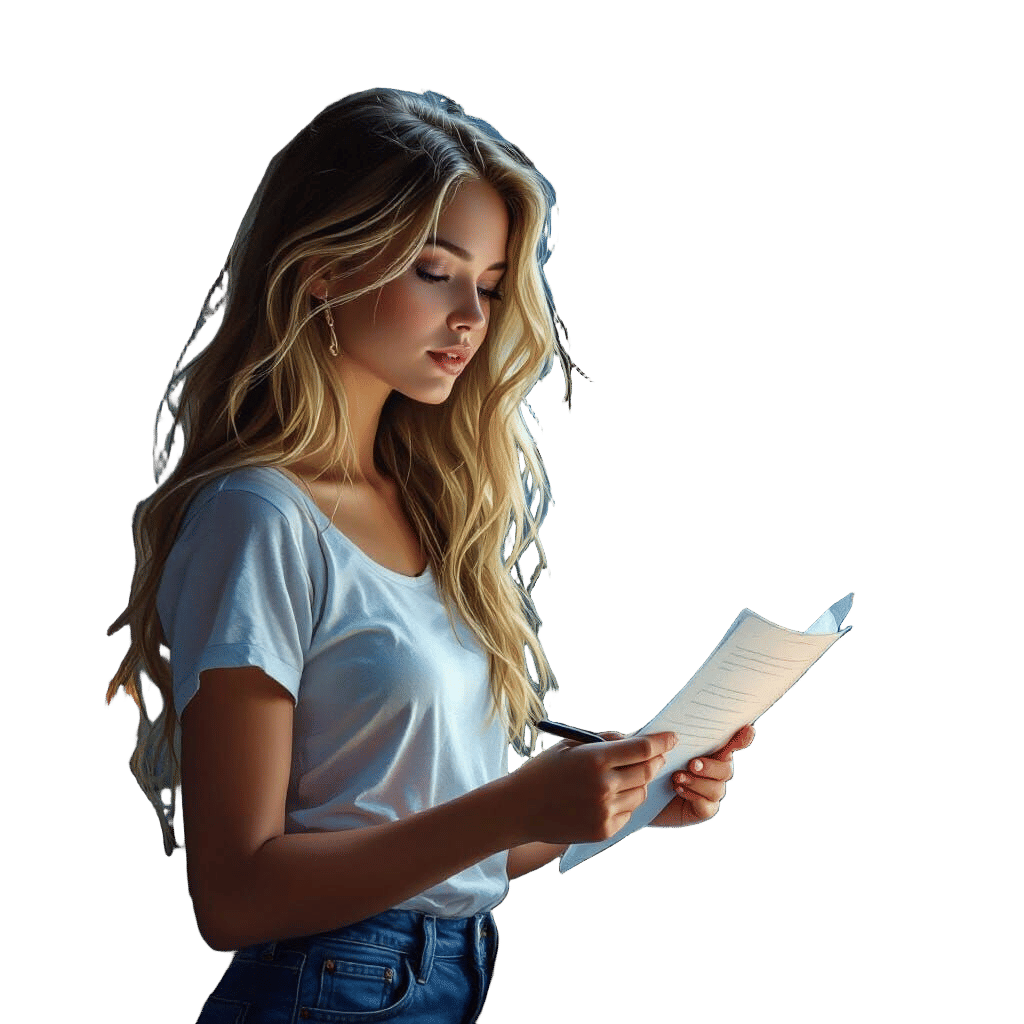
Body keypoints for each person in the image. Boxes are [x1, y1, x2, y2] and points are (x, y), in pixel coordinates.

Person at [104, 86, 755, 1023]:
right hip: (324, 993)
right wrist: (515, 805)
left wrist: (630, 800)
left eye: (490, 288)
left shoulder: (431, 512)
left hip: (445, 976)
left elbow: (433, 851)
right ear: (323, 268)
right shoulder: (256, 518)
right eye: (434, 271)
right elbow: (236, 894)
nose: (472, 319)